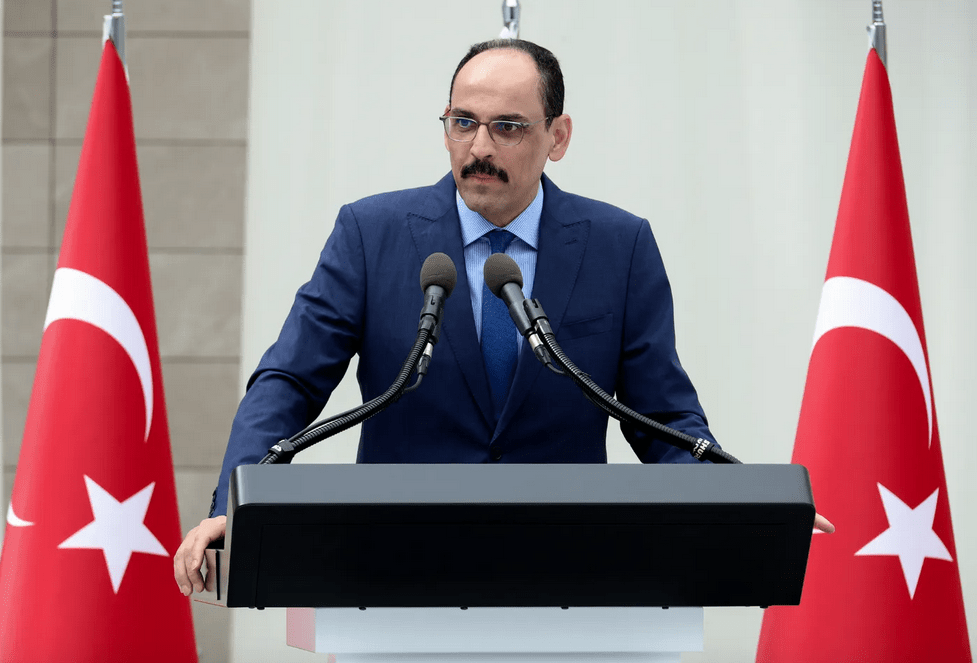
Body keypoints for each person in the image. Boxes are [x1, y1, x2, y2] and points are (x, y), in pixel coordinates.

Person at [174, 39, 832, 597]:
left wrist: (736, 509)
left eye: (508, 127)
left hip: (566, 579)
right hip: (394, 574)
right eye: (462, 122)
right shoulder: (372, 234)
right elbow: (289, 380)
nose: (478, 147)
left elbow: (659, 415)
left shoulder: (618, 246)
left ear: (557, 136)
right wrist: (235, 505)